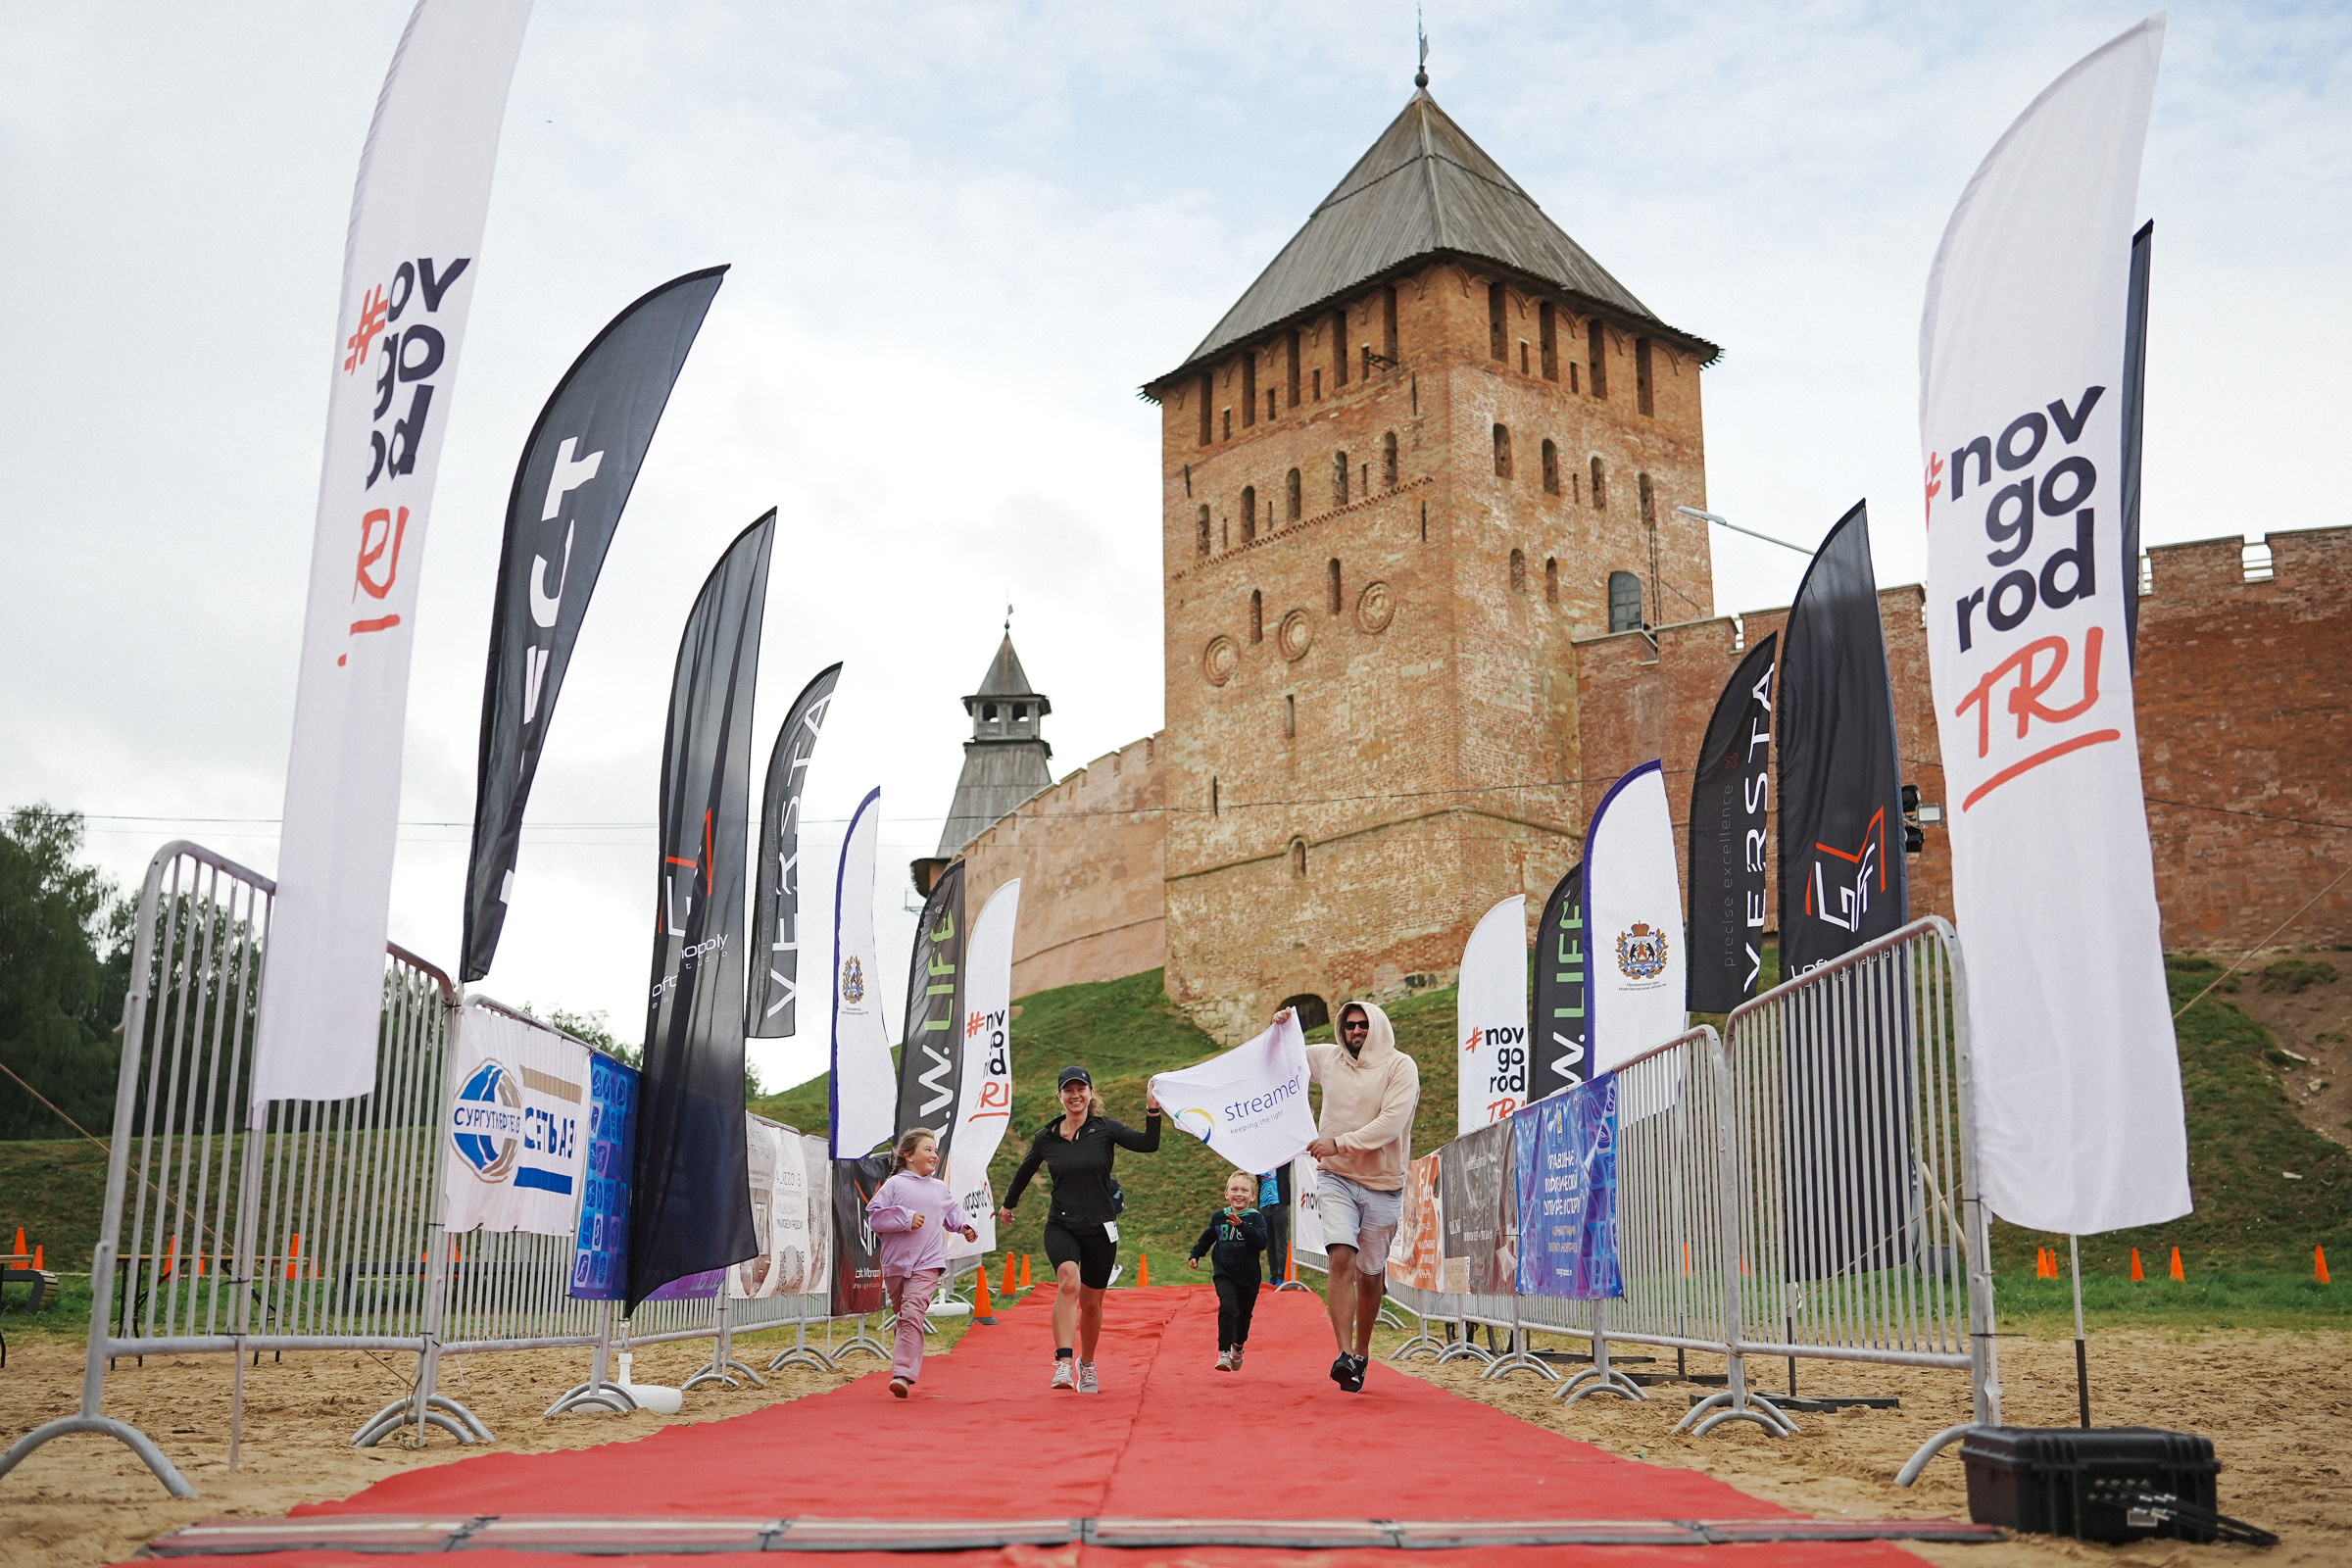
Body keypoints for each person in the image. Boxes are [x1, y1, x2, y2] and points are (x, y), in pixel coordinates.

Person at [1278, 999, 1418, 1394]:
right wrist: (1282, 1028)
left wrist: (1339, 1142)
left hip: (1382, 1184)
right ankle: (1342, 1353)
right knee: (1341, 1255)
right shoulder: (1328, 1059)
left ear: (1377, 1026)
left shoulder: (1400, 1067)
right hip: (1336, 1176)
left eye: (1363, 1025)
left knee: (1370, 1275)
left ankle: (1361, 1352)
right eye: (1350, 1025)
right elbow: (1286, 1058)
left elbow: (1390, 1124)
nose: (1356, 1031)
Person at [999, 1065, 1162, 1392]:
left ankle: (1086, 1363)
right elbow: (1026, 1169)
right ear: (1059, 1095)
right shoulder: (1046, 1137)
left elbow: (1148, 1144)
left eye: (1080, 1089)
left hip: (1100, 1228)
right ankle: (1063, 1362)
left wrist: (1153, 1109)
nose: (1075, 1095)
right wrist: (1008, 1204)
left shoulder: (1106, 1129)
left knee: (1091, 1303)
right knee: (1068, 1281)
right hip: (1062, 1224)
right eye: (1068, 1090)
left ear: (1090, 1093)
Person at [866, 1127, 977, 1398]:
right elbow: (875, 1217)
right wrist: (905, 1219)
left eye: (935, 1151)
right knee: (905, 1315)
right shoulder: (894, 1185)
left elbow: (953, 1213)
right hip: (895, 1264)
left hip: (928, 1262)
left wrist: (965, 1226)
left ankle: (902, 1375)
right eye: (928, 1149)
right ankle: (905, 1352)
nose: (934, 1155)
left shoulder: (939, 1188)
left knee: (912, 1312)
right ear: (908, 1155)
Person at [1187, 1170, 1269, 1369]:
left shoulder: (1256, 1219)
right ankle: (1224, 1352)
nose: (1239, 1194)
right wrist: (1195, 1254)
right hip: (1224, 1273)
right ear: (1226, 1193)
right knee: (1228, 1307)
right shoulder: (1219, 1217)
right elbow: (1207, 1238)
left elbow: (1261, 1243)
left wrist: (1242, 1226)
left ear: (1253, 1196)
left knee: (1243, 1315)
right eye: (1234, 1189)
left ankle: (1238, 1347)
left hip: (1249, 1277)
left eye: (1244, 1190)